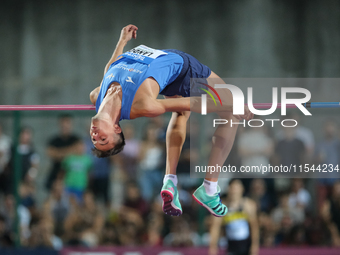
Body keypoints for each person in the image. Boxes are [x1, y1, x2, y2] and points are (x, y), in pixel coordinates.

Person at [89, 24, 253, 217]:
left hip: (164, 70)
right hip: (183, 69)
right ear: (117, 128)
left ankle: (170, 180)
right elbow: (191, 102)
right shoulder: (142, 105)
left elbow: (110, 70)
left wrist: (122, 41)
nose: (95, 136)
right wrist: (230, 105)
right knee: (228, 114)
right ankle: (209, 188)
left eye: (94, 140)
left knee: (181, 114)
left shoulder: (97, 96)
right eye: (103, 140)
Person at [209, 179, 259, 255]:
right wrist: (213, 246)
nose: (234, 191)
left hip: (246, 245)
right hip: (231, 245)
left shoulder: (248, 205)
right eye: (232, 188)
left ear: (242, 189)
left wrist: (254, 245)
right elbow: (215, 227)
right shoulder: (222, 207)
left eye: (237, 188)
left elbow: (254, 227)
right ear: (228, 189)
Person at [45, 114, 81, 190]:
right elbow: (51, 154)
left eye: (67, 124)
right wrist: (70, 151)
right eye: (63, 125)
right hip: (56, 173)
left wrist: (59, 153)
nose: (65, 127)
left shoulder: (76, 139)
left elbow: (79, 152)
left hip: (73, 174)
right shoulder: (54, 140)